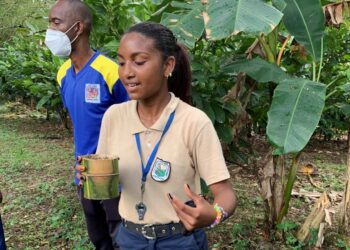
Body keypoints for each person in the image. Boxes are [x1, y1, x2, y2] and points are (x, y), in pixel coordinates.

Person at [78, 21, 237, 249]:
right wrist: (93, 175)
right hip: (129, 238)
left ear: (168, 66)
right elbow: (109, 177)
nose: (127, 72)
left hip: (179, 240)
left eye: (139, 61)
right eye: (121, 63)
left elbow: (226, 194)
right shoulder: (114, 116)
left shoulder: (193, 122)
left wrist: (214, 214)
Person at [44, 0, 129, 249]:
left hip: (116, 177)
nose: (50, 30)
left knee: (121, 238)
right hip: (83, 175)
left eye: (56, 22)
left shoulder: (110, 71)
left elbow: (134, 119)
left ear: (78, 28)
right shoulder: (62, 74)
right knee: (99, 238)